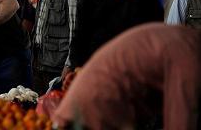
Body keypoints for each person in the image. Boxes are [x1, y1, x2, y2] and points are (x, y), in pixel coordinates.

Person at [53, 23, 201, 130]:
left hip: (92, 95)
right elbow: (181, 122)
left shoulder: (187, 40)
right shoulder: (190, 57)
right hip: (97, 103)